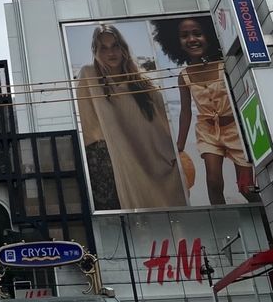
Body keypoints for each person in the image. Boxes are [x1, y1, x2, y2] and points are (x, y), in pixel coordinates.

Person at [76, 24, 187, 210]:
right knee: (142, 218)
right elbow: (88, 124)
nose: (111, 52)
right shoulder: (89, 74)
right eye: (104, 47)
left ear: (123, 48)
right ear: (96, 51)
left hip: (159, 161)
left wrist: (178, 151)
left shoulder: (142, 83)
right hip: (126, 161)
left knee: (175, 214)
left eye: (115, 45)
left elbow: (166, 119)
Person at [152, 16, 259, 204]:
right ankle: (225, 228)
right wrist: (179, 145)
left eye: (197, 33)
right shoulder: (183, 76)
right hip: (207, 132)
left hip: (236, 130)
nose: (192, 39)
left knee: (246, 188)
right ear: (176, 42)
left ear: (209, 35)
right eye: (184, 36)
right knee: (213, 183)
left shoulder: (225, 65)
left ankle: (265, 221)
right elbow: (186, 112)